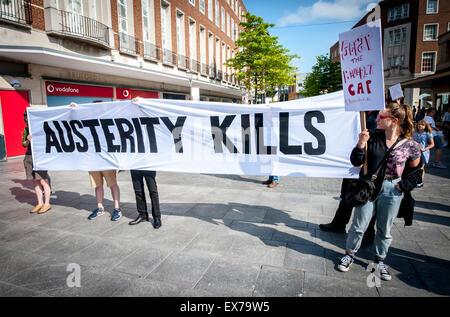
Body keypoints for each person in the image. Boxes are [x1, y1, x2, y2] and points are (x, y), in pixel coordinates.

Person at [337, 102, 421, 281]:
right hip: (370, 187)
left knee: (384, 228)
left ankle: (379, 260)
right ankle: (349, 254)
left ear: (394, 121)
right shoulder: (373, 137)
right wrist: (361, 143)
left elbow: (416, 171)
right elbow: (356, 161)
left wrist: (403, 185)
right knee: (359, 224)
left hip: (393, 189)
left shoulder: (411, 145)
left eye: (381, 117)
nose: (377, 120)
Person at [319, 110, 379, 247]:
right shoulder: (355, 112)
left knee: (365, 198)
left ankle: (368, 233)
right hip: (352, 160)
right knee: (346, 194)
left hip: (368, 164)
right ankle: (339, 223)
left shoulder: (376, 117)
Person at [70, 101, 122, 221]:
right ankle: (100, 208)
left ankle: (117, 208)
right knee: (97, 185)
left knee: (112, 184)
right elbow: (74, 122)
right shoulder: (88, 120)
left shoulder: (108, 119)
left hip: (106, 159)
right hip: (92, 159)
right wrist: (75, 109)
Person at [128, 97, 162, 229]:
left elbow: (159, 109)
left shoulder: (150, 120)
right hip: (134, 160)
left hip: (148, 161)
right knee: (138, 190)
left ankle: (157, 217)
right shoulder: (129, 121)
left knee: (152, 190)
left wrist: (142, 100)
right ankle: (142, 214)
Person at [22, 110, 52, 214]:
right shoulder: (26, 129)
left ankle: (47, 204)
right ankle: (40, 203)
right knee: (35, 181)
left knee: (43, 181)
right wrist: (28, 140)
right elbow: (23, 144)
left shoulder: (39, 128)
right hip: (29, 156)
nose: (26, 118)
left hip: (39, 157)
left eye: (27, 116)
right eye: (25, 116)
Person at [413, 120, 434, 187]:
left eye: (422, 125)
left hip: (424, 152)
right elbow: (412, 140)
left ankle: (420, 181)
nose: (420, 126)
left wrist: (425, 149)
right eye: (419, 124)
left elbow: (432, 144)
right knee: (415, 166)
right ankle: (416, 179)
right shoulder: (415, 133)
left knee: (421, 167)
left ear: (425, 126)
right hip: (415, 151)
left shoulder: (428, 133)